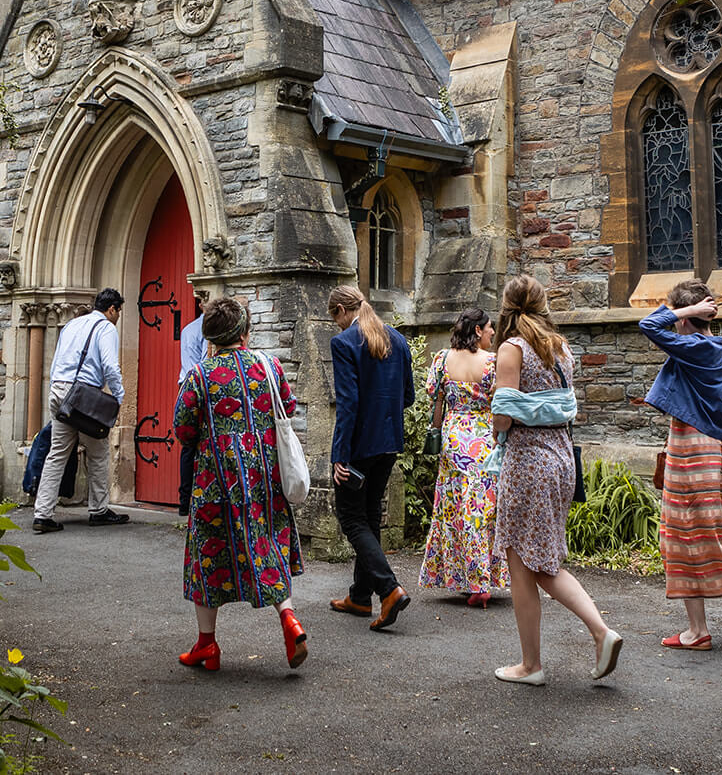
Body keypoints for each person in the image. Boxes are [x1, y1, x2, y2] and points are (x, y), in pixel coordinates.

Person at [490, 275, 622, 686]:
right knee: (537, 559)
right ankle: (537, 660)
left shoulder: (512, 349)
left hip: (529, 462)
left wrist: (497, 425)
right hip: (562, 459)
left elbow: (503, 416)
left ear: (507, 306)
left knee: (527, 563)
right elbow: (562, 406)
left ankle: (549, 657)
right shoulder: (560, 347)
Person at [171, 296, 308, 671]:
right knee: (267, 541)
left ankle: (207, 645)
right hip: (264, 477)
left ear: (210, 338)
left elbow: (183, 430)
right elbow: (288, 407)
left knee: (208, 553)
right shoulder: (269, 366)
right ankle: (289, 618)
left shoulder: (200, 376)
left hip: (214, 480)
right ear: (244, 333)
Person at [641, 278, 722, 650]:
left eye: (679, 315)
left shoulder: (695, 347)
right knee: (681, 535)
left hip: (692, 448)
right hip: (714, 448)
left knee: (694, 534)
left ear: (686, 318)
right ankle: (696, 631)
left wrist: (685, 311)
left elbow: (649, 325)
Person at [326, 284, 414, 630]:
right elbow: (407, 396)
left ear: (341, 311)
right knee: (370, 515)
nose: (336, 324)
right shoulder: (398, 340)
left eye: (334, 317)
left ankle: (389, 589)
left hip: (359, 446)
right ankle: (360, 596)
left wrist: (340, 455)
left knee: (351, 518)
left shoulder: (344, 342)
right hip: (389, 443)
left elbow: (348, 404)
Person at [417, 307, 507, 606]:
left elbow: (437, 401)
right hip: (484, 439)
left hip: (453, 437)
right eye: (490, 327)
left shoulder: (442, 359)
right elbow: (500, 404)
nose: (493, 332)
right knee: (481, 509)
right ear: (478, 330)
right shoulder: (492, 362)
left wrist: (436, 433)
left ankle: (465, 578)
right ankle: (482, 580)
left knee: (454, 508)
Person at [34, 288, 130, 533]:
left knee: (57, 454)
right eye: (118, 311)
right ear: (112, 309)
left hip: (59, 390)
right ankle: (99, 510)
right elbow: (110, 366)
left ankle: (42, 514)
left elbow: (56, 360)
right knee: (98, 452)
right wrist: (118, 397)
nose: (118, 317)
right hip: (83, 397)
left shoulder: (72, 324)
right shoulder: (106, 327)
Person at [177, 308, 206, 515]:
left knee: (188, 445)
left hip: (185, 385)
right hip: (200, 386)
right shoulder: (207, 330)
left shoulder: (188, 329)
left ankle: (184, 501)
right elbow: (205, 362)